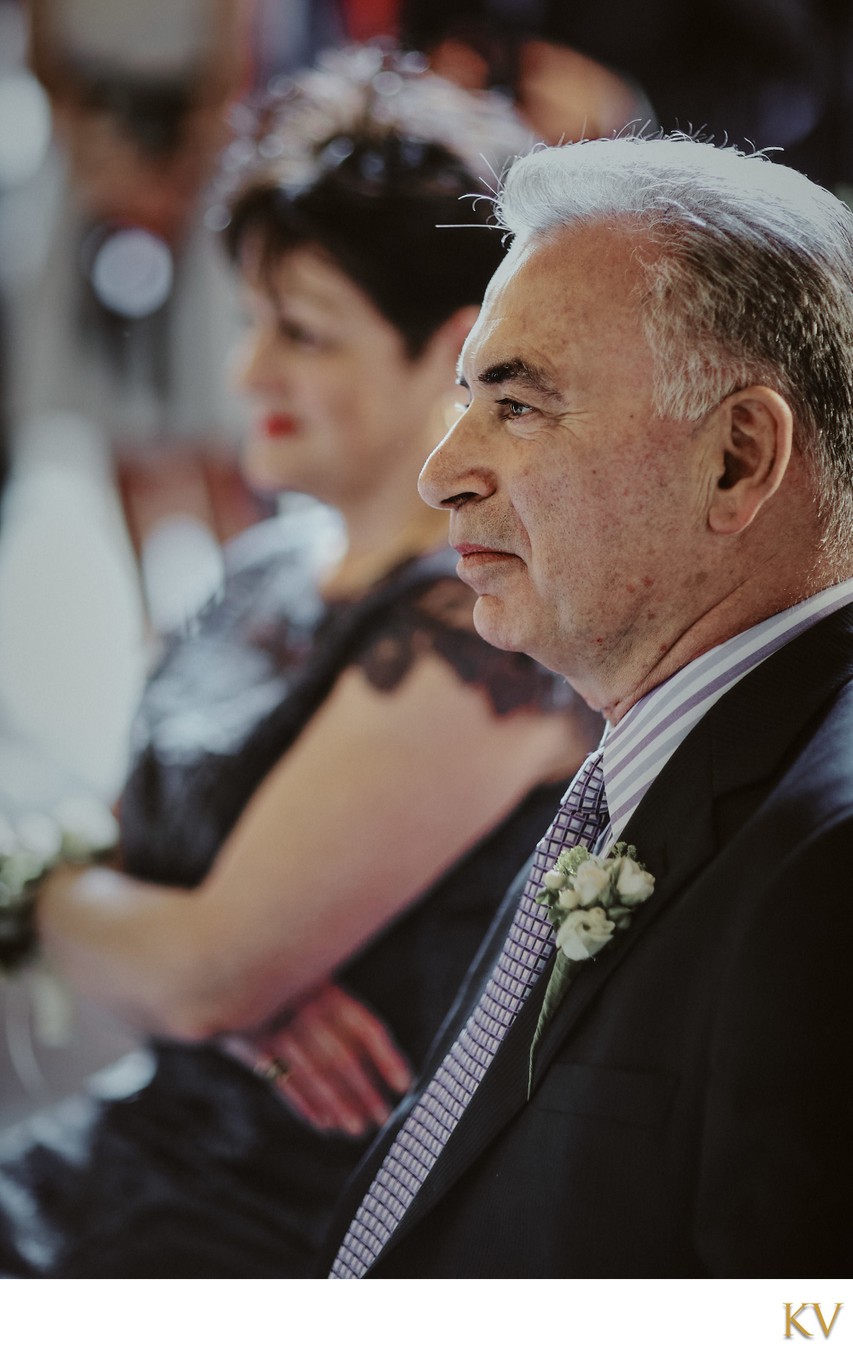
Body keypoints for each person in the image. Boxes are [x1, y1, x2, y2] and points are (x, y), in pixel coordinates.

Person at [0, 48, 599, 1277]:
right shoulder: (269, 562)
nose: (246, 375)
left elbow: (203, 963)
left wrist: (142, 947)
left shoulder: (479, 630)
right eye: (255, 322)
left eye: (304, 335)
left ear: (455, 349)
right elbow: (159, 900)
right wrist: (192, 974)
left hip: (277, 1224)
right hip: (134, 1140)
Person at [324, 132, 853, 1278]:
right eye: (466, 400)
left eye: (518, 407)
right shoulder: (651, 742)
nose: (442, 470)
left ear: (736, 459)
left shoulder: (830, 862)